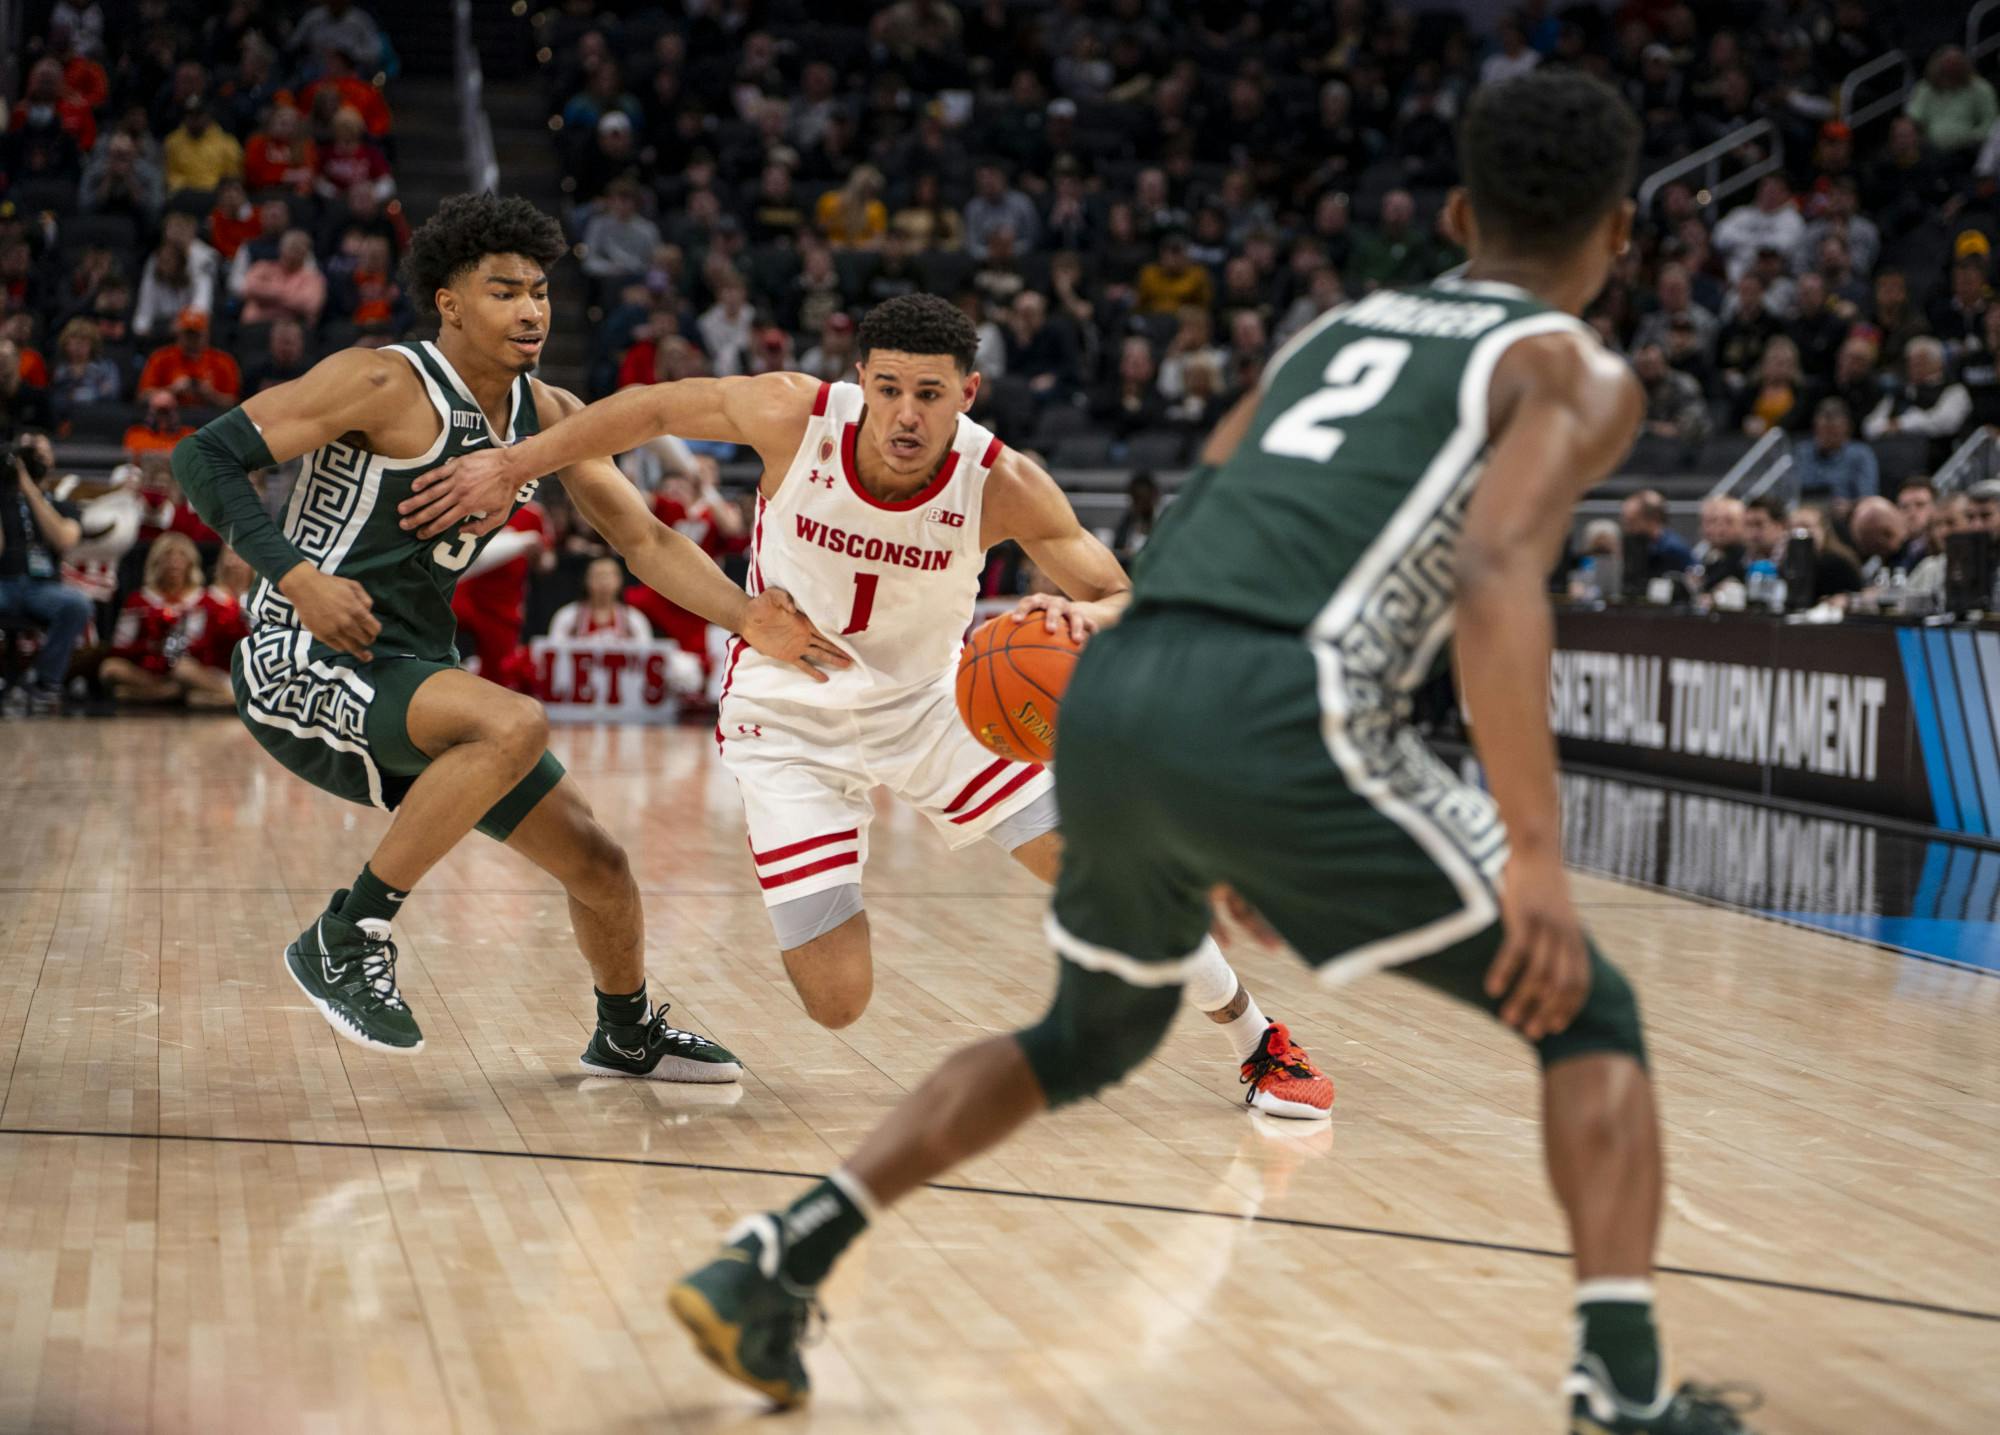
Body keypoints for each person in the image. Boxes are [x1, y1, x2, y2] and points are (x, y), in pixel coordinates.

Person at [656, 72, 1760, 1434]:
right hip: (1277, 704)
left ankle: (780, 1257)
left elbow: (1190, 520)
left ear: (1461, 211)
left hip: (1127, 696)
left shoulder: (1337, 332)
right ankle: (1623, 1384)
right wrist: (1537, 851)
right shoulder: (1575, 368)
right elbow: (1493, 574)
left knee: (1089, 1031)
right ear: (1621, 239)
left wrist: (1163, 744)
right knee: (1588, 1008)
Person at [409, 291, 1332, 1115]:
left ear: (966, 395)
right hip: (787, 718)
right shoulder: (789, 414)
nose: (905, 412)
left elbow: (1124, 592)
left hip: (939, 711)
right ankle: (819, 876)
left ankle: (1259, 1043)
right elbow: (650, 409)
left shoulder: (1000, 481)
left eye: (930, 393)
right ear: (859, 380)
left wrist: (1081, 612)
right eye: (889, 387)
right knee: (837, 1001)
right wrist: (511, 464)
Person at [169, 193, 842, 1071]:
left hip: (408, 667)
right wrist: (296, 578)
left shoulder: (550, 413)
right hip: (302, 654)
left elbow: (641, 538)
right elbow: (202, 457)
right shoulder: (379, 380)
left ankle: (625, 1029)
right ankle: (346, 934)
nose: (531, 310)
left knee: (600, 862)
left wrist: (748, 616)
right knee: (513, 722)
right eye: (503, 291)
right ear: (450, 303)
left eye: (539, 291)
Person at [0, 434, 92, 715]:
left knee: (77, 604)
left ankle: (43, 680)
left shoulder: (63, 504)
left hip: (43, 588)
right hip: (4, 582)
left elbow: (65, 539)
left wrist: (30, 489)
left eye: (38, 453)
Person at [99, 532, 235, 708]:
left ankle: (150, 695)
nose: (174, 562)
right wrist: (150, 646)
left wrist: (180, 648)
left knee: (182, 669)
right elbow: (119, 647)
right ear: (156, 562)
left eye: (181, 556)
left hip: (188, 668)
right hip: (148, 671)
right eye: (168, 555)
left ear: (190, 563)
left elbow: (211, 644)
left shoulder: (204, 600)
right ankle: (164, 692)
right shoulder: (138, 600)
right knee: (110, 668)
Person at [1792, 398, 1877, 512]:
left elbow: (1868, 499)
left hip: (1842, 517)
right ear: (1815, 427)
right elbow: (1787, 492)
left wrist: (1850, 506)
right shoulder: (1801, 452)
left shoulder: (1860, 454)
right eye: (1823, 430)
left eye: (1833, 431)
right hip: (1804, 510)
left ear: (1847, 429)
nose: (1828, 436)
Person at [549, 555, 654, 641]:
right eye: (598, 576)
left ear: (620, 581)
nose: (604, 582)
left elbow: (646, 653)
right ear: (586, 581)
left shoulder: (634, 619)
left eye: (609, 576)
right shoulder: (567, 616)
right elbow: (553, 651)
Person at [1620, 489, 1696, 576]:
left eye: (1632, 522)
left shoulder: (1673, 549)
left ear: (1652, 520)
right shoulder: (1638, 544)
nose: (1627, 528)